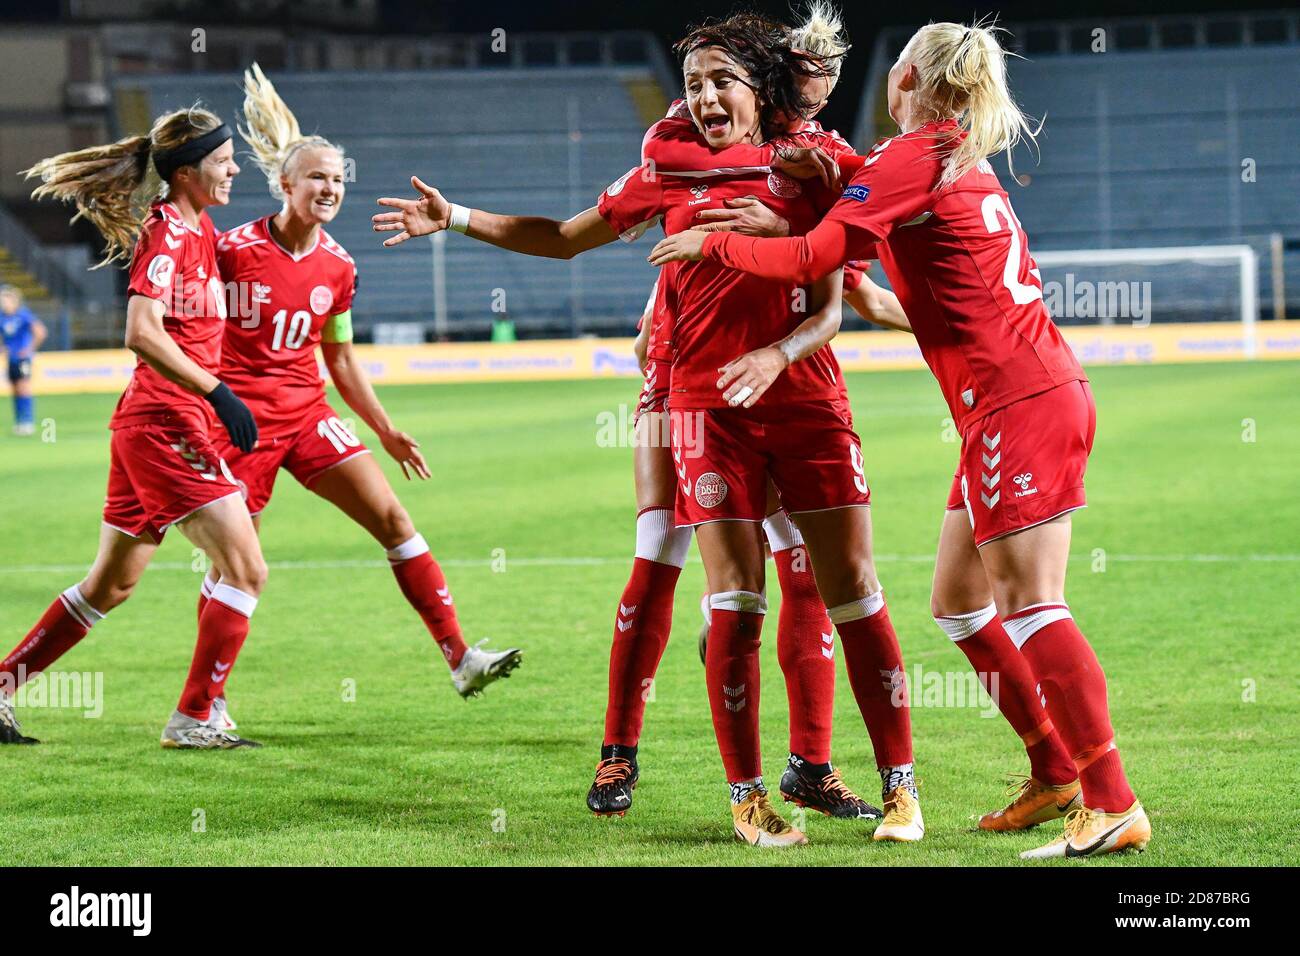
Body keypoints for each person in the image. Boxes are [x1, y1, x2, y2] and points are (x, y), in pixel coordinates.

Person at [374, 13, 922, 848]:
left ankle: (867, 779)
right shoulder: (667, 161)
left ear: (760, 89)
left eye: (720, 82)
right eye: (693, 83)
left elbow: (855, 269)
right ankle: (698, 781)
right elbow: (563, 239)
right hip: (696, 405)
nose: (702, 97)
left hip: (805, 399)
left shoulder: (814, 163)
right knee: (711, 591)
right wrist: (456, 218)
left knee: (838, 587)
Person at [649, 20, 1148, 859]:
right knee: (960, 603)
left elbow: (819, 249)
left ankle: (1112, 799)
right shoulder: (946, 153)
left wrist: (717, 241)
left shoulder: (919, 152)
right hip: (1017, 401)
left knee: (1033, 606)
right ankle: (1055, 769)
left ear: (908, 73)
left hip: (1015, 403)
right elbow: (875, 232)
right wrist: (828, 172)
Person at [195, 66, 518, 734]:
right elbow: (190, 331)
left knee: (394, 520)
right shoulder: (230, 252)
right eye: (317, 177)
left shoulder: (340, 267)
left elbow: (339, 357)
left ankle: (461, 658)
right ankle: (205, 702)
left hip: (309, 416)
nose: (331, 188)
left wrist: (387, 429)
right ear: (286, 184)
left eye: (339, 180)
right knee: (237, 564)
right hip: (240, 425)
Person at [2, 106, 267, 749]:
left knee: (111, 584)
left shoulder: (199, 228)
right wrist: (217, 391)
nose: (234, 168)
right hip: (165, 423)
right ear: (185, 171)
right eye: (223, 159)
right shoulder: (168, 233)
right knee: (245, 568)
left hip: (152, 423)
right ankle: (195, 717)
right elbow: (140, 332)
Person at [0, 285, 47, 436]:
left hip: (23, 358)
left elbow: (40, 332)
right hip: (11, 359)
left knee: (23, 387)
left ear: (15, 300)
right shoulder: (2, 317)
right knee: (14, 389)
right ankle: (19, 422)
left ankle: (28, 422)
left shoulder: (23, 315)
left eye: (7, 298)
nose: (4, 301)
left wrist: (29, 349)